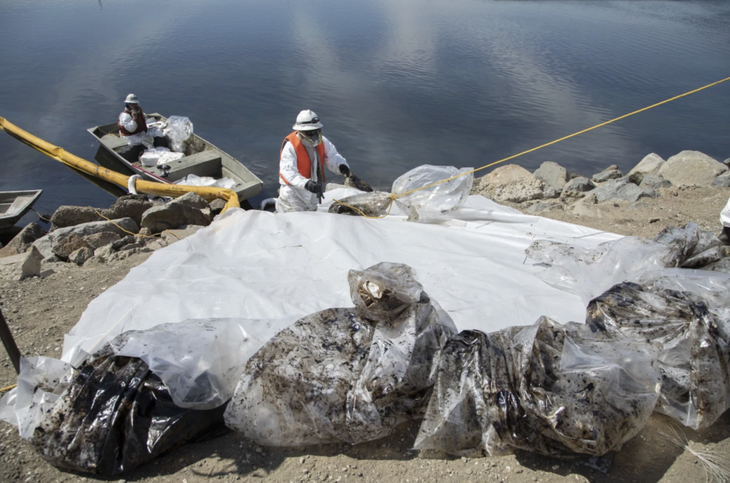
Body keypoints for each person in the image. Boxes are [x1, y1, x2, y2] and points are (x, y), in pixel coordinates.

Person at [276, 110, 352, 213]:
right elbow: (288, 172)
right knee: (292, 222)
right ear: (300, 131)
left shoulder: (322, 141)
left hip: (313, 192)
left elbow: (332, 156)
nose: (314, 135)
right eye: (310, 133)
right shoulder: (291, 146)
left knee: (311, 221)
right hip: (294, 194)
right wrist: (306, 184)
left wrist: (341, 166)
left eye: (317, 131)